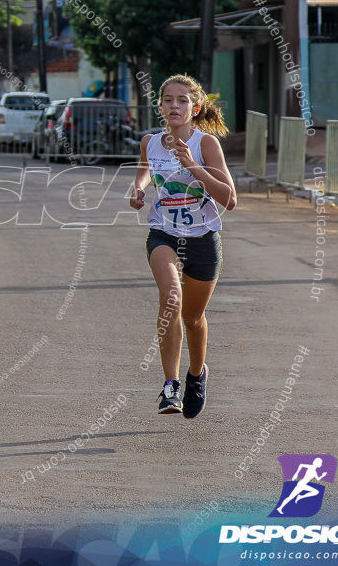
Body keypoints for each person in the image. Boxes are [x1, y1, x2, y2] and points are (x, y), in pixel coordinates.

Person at [129, 74, 236, 418]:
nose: (175, 106)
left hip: (203, 238)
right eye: (168, 100)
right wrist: (139, 187)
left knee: (192, 317)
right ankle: (170, 385)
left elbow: (229, 199)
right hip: (164, 233)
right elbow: (145, 168)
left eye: (182, 100)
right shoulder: (150, 141)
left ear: (195, 107)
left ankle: (196, 374)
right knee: (171, 297)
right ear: (160, 106)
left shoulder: (206, 145)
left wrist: (192, 164)